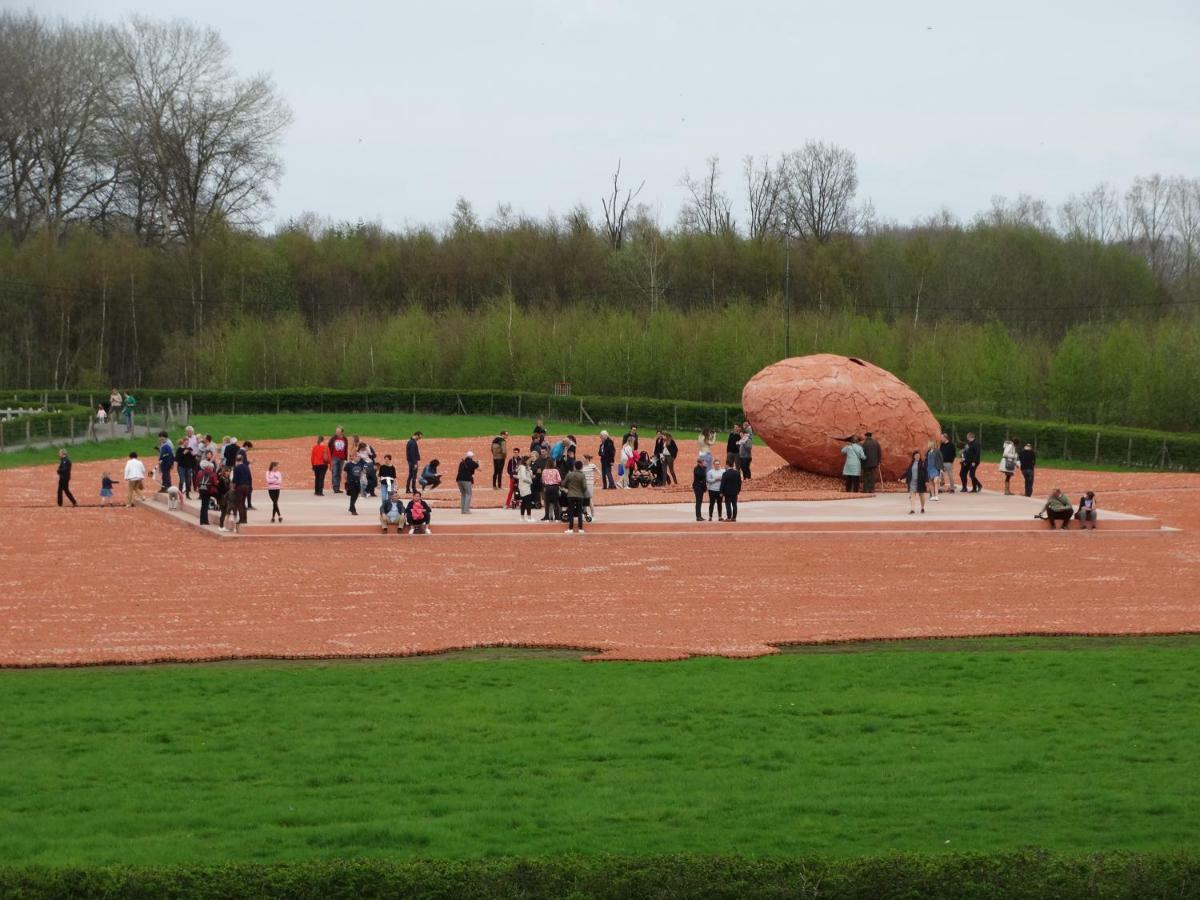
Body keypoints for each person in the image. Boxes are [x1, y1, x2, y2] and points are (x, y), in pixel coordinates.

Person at [563, 460, 589, 534]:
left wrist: (569, 488)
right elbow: (584, 486)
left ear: (574, 466)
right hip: (580, 495)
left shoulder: (569, 474)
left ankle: (570, 528)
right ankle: (580, 528)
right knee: (579, 512)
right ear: (581, 467)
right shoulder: (582, 475)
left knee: (571, 512)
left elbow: (564, 483)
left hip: (570, 495)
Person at [903, 450, 929, 514]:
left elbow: (926, 473)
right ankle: (912, 509)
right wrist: (901, 477)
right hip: (912, 482)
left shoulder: (922, 463)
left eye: (919, 456)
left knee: (921, 495)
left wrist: (926, 481)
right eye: (916, 455)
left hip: (920, 482)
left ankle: (922, 508)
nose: (918, 457)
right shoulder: (911, 463)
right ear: (914, 456)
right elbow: (908, 472)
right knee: (912, 495)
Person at [232, 452, 252, 526]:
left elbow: (234, 479)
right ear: (242, 460)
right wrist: (250, 487)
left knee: (239, 503)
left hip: (239, 487)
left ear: (236, 460)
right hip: (247, 486)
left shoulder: (236, 468)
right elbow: (250, 478)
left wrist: (233, 488)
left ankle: (241, 519)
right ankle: (245, 519)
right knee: (243, 503)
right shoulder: (246, 467)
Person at [720, 454, 742, 522]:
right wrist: (738, 490)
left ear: (727, 465)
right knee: (734, 505)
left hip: (727, 492)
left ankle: (729, 517)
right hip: (735, 492)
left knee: (728, 504)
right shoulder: (737, 473)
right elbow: (739, 483)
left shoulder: (725, 474)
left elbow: (722, 484)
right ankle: (734, 517)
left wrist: (721, 492)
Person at [196, 460, 217, 526]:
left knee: (203, 505)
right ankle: (205, 521)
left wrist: (198, 487)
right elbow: (215, 483)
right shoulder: (212, 473)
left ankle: (202, 521)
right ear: (211, 467)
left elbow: (197, 481)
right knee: (206, 505)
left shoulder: (200, 472)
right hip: (208, 490)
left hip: (201, 490)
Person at [328, 428, 349, 494]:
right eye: (336, 431)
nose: (336, 432)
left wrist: (345, 458)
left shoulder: (345, 439)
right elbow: (329, 446)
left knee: (339, 473)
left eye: (338, 431)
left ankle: (338, 487)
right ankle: (335, 488)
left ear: (342, 432)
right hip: (334, 457)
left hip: (342, 458)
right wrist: (330, 456)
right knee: (334, 473)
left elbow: (346, 448)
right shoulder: (333, 438)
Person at [706, 457, 726, 521]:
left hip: (720, 490)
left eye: (718, 464)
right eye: (715, 464)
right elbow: (708, 480)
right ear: (713, 465)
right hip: (712, 490)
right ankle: (710, 516)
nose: (717, 465)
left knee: (719, 504)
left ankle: (720, 516)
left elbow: (725, 480)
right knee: (711, 503)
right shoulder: (710, 472)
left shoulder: (723, 471)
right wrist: (715, 479)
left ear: (720, 464)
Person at [516, 455, 535, 521]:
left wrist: (529, 471)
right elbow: (524, 478)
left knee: (524, 502)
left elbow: (519, 476)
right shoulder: (523, 468)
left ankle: (522, 517)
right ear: (525, 461)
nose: (530, 461)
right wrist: (530, 481)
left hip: (523, 487)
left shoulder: (523, 468)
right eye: (529, 460)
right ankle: (529, 517)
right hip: (525, 487)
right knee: (528, 502)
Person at [581, 453, 598, 518]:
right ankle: (586, 515)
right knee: (583, 499)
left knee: (589, 499)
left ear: (587, 459)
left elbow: (599, 474)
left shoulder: (592, 465)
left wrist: (595, 481)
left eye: (583, 458)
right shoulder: (582, 466)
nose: (582, 460)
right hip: (583, 485)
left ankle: (593, 515)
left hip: (590, 485)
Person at [692, 455, 707, 522]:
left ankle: (699, 516)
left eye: (703, 462)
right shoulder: (696, 469)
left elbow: (703, 478)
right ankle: (698, 516)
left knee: (700, 502)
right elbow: (701, 475)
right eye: (702, 462)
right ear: (699, 463)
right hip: (697, 487)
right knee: (698, 502)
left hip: (701, 487)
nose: (703, 463)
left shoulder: (703, 468)